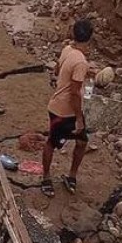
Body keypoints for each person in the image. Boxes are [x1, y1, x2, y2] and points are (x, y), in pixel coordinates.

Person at [41, 19, 94, 196]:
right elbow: (74, 93)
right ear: (90, 39)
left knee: (81, 141)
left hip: (57, 105)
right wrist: (79, 118)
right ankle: (48, 177)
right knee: (53, 142)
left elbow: (56, 71)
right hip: (65, 111)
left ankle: (64, 176)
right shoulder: (81, 62)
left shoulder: (67, 50)